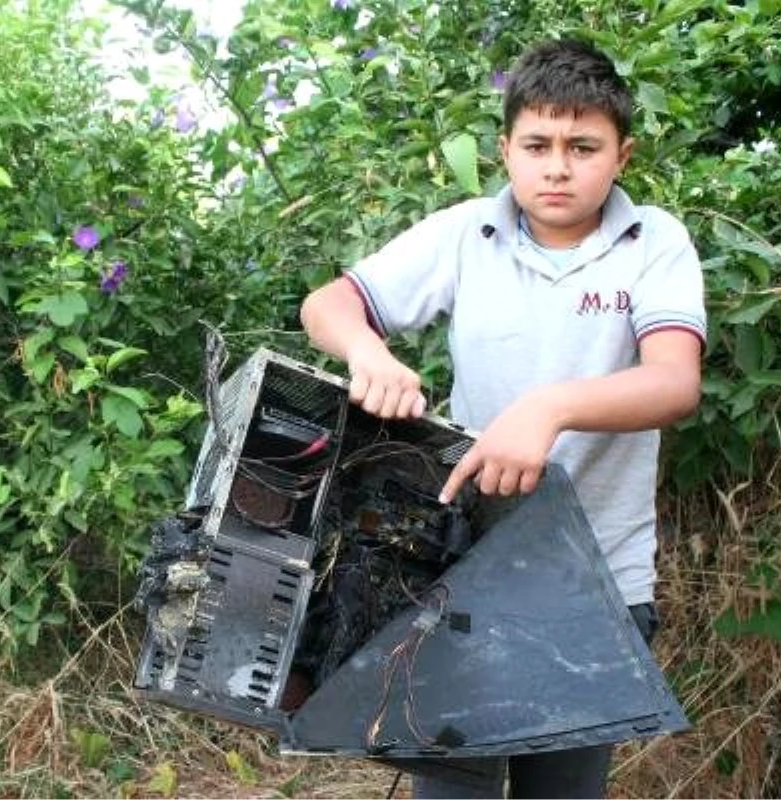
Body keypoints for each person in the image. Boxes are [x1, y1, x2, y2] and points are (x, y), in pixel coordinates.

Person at [298, 38, 707, 799]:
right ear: (505, 150)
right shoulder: (464, 234)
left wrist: (549, 407)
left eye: (584, 147)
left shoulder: (654, 242)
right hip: (466, 577)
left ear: (623, 154)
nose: (558, 166)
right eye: (538, 145)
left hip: (598, 584)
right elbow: (329, 305)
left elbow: (674, 383)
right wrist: (367, 352)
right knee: (453, 790)